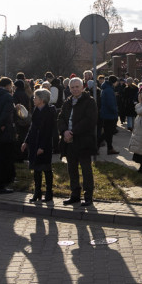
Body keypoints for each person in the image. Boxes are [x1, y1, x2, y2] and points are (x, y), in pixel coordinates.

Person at [56, 77, 97, 205]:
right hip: (69, 141)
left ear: (82, 87)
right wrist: (64, 132)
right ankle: (75, 194)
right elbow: (61, 118)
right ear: (69, 88)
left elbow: (90, 120)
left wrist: (73, 132)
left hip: (83, 141)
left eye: (77, 86)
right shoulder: (67, 102)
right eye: (72, 87)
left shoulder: (89, 102)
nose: (75, 89)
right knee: (72, 169)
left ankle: (88, 196)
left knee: (86, 170)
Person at [23, 88, 58, 203]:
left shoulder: (49, 112)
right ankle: (37, 193)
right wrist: (26, 141)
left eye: (35, 98)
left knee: (46, 169)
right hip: (34, 144)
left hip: (44, 145)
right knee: (36, 170)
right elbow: (32, 128)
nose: (33, 99)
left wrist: (42, 147)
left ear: (42, 100)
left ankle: (49, 193)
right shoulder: (36, 110)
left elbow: (48, 132)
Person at [99, 75, 120, 154]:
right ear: (114, 82)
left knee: (108, 133)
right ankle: (97, 145)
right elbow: (111, 104)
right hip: (109, 114)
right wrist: (115, 111)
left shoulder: (106, 88)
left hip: (106, 113)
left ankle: (109, 148)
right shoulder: (109, 90)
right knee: (108, 132)